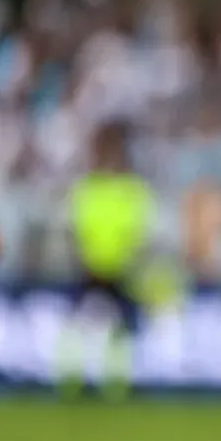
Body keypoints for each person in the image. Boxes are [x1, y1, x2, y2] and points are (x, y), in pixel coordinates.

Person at [63, 121, 154, 400]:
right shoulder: (87, 187)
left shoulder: (132, 189)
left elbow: (137, 233)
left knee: (123, 327)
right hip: (90, 268)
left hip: (120, 269)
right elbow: (76, 230)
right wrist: (87, 261)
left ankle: (116, 383)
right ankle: (72, 380)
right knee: (77, 325)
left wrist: (122, 262)